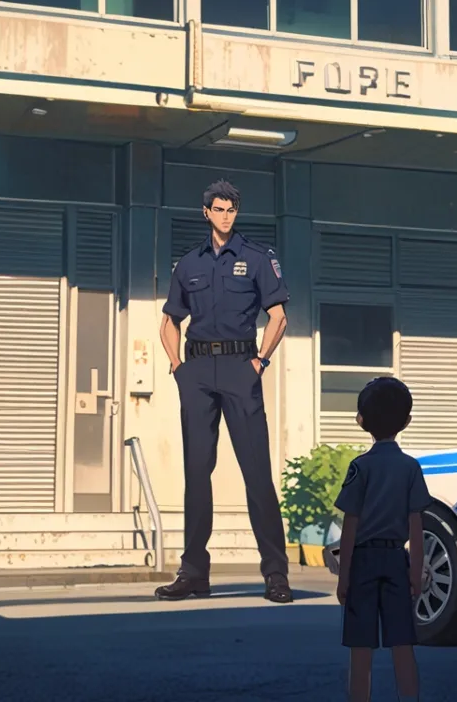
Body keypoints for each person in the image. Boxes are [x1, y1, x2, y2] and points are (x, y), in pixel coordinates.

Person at [155, 179, 294, 605]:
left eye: (231, 209)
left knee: (256, 473)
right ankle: (193, 573)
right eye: (218, 209)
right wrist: (178, 367)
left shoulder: (256, 257)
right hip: (196, 371)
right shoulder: (188, 264)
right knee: (197, 474)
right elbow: (169, 320)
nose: (225, 216)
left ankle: (276, 575)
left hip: (240, 369)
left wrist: (260, 362)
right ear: (206, 212)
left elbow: (279, 317)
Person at [334, 377, 432, 702]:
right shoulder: (410, 468)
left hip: (362, 562)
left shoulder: (359, 468)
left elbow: (351, 524)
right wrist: (416, 572)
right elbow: (416, 527)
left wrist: (344, 575)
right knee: (403, 643)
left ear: (361, 421)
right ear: (407, 421)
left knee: (360, 648)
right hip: (395, 560)